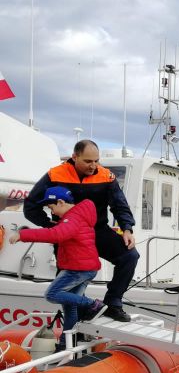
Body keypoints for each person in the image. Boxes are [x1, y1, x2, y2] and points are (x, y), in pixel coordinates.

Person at [24, 139, 138, 322]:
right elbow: (30, 206)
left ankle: (113, 304)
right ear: (74, 157)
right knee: (67, 286)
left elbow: (120, 205)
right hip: (68, 236)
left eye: (96, 161)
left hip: (98, 231)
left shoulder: (106, 176)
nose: (93, 166)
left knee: (130, 256)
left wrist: (127, 228)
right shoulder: (55, 175)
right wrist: (50, 225)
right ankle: (76, 326)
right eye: (88, 161)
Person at [10, 187, 106, 349]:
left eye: (52, 207)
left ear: (61, 202)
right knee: (70, 307)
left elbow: (56, 235)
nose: (52, 212)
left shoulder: (73, 218)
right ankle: (66, 344)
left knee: (52, 294)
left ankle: (92, 304)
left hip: (78, 269)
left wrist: (23, 235)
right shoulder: (76, 216)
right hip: (85, 267)